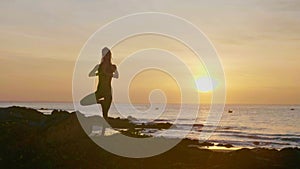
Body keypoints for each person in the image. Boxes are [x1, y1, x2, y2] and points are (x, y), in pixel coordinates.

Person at [89, 47, 119, 119]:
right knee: (83, 102)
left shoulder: (113, 67)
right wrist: (99, 74)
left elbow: (117, 76)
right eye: (104, 54)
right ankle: (101, 102)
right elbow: (90, 74)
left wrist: (108, 74)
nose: (106, 56)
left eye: (108, 54)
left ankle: (103, 129)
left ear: (110, 55)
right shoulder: (99, 66)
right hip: (100, 90)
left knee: (105, 115)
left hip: (108, 92)